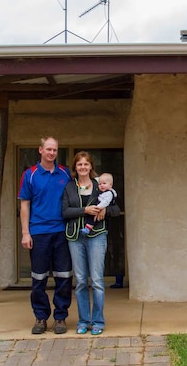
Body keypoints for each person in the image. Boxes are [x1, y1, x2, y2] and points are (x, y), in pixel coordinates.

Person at [19, 137, 73, 335]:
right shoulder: (30, 175)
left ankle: (60, 317)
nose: (51, 153)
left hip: (62, 232)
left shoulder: (65, 173)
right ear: (40, 150)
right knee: (39, 278)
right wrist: (26, 233)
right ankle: (41, 317)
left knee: (64, 276)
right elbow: (24, 204)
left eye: (55, 150)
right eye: (48, 149)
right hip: (39, 232)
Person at [62, 152, 121, 335]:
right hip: (75, 238)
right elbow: (64, 212)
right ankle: (83, 321)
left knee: (96, 280)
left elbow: (116, 208)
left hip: (97, 236)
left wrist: (105, 211)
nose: (83, 167)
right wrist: (84, 210)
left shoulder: (100, 185)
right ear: (75, 167)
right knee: (80, 281)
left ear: (90, 166)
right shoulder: (69, 187)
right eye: (79, 164)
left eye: (86, 164)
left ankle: (98, 321)